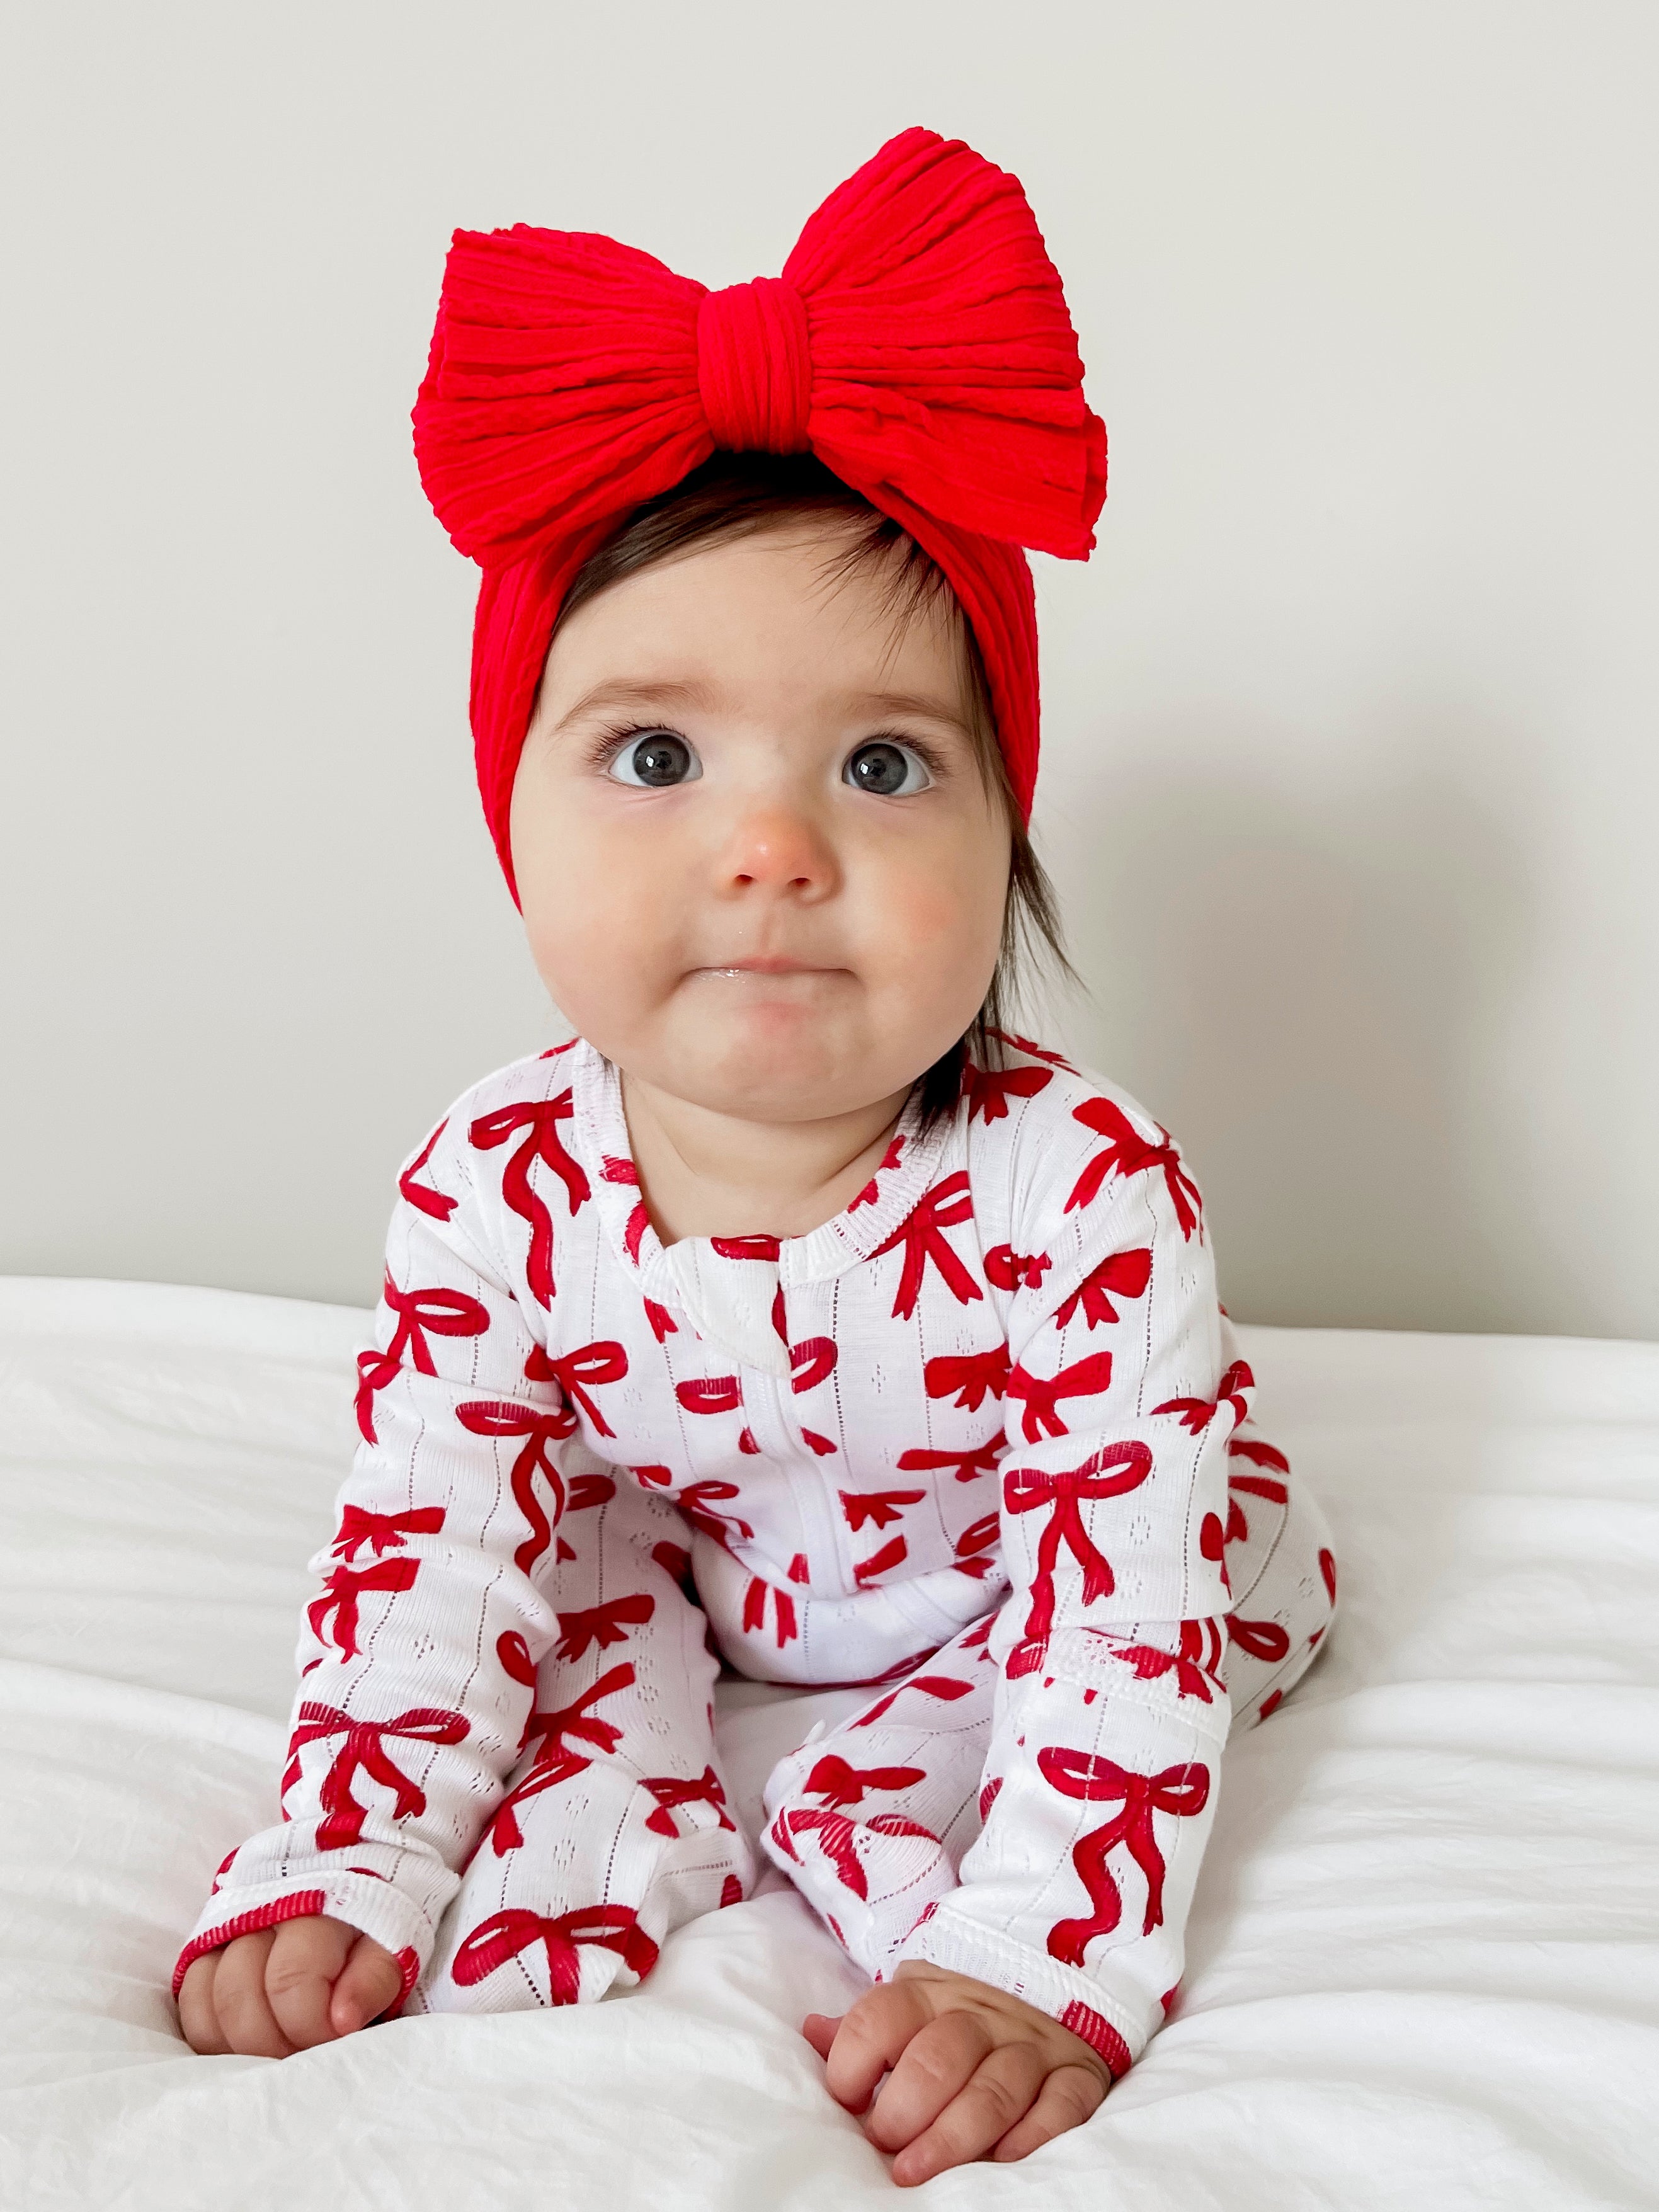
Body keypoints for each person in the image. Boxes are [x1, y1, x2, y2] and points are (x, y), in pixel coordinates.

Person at [173, 127, 1337, 2182]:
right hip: (700, 1541)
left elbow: (1117, 1621)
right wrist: (346, 1847)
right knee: (562, 1560)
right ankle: (613, 1792)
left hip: (1020, 1564)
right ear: (508, 820)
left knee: (1175, 1606)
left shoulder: (1077, 1193)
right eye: (652, 756)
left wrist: (1030, 1957)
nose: (774, 847)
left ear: (1005, 843)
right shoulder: (493, 1184)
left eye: (883, 765)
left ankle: (881, 1812)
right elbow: (427, 1555)